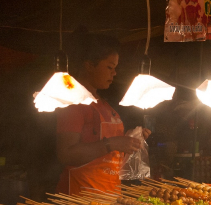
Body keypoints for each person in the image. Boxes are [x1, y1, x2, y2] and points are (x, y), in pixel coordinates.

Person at [55, 32, 149, 195]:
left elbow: (107, 150)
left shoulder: (103, 104)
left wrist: (130, 141)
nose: (114, 73)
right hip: (80, 199)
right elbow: (65, 154)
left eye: (115, 68)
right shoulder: (74, 103)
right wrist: (112, 143)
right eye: (109, 67)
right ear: (89, 65)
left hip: (109, 196)